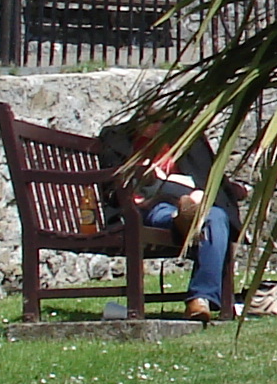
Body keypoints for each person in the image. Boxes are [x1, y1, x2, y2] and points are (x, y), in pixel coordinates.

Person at [97, 112, 242, 322]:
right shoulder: (118, 139)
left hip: (191, 201)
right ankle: (183, 219)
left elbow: (208, 174)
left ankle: (200, 299)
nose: (156, 126)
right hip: (144, 208)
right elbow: (111, 183)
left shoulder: (187, 138)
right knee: (173, 212)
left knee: (216, 216)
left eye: (162, 121)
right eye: (150, 121)